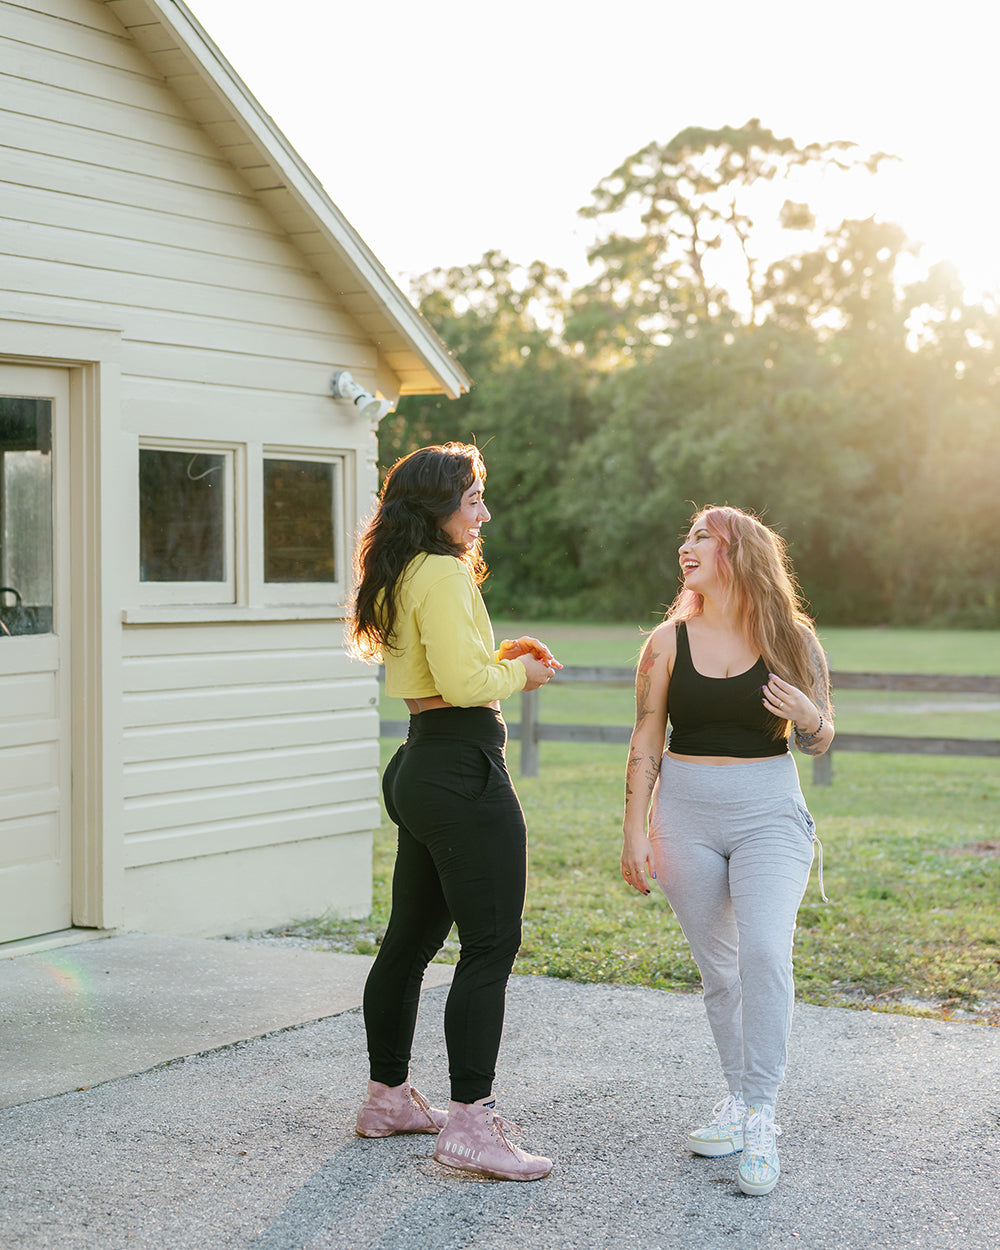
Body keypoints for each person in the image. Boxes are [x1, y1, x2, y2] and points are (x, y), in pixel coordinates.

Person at [347, 442, 560, 1182]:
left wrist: (503, 655)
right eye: (473, 500)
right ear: (438, 507)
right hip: (462, 770)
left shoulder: (410, 569)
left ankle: (387, 1099)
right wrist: (522, 674)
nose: (484, 512)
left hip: (422, 762)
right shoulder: (440, 570)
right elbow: (471, 683)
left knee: (410, 942)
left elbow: (450, 669)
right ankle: (471, 1123)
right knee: (492, 942)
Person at [620, 505, 833, 1197]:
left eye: (701, 538)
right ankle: (738, 1101)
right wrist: (634, 830)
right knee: (721, 971)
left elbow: (822, 734)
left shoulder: (792, 639)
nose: (687, 547)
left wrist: (810, 718)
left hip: (769, 815)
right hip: (685, 819)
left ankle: (763, 1117)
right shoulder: (667, 641)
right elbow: (646, 737)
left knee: (765, 950)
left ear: (738, 553)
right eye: (685, 538)